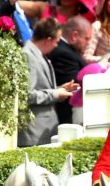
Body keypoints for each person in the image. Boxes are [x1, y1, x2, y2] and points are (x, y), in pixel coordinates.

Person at [19, 18, 78, 147]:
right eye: (57, 42)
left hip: (42, 131)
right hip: (35, 134)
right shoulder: (27, 56)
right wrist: (56, 94)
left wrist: (60, 88)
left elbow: (40, 88)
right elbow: (26, 95)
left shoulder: (37, 54)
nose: (57, 45)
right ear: (48, 40)